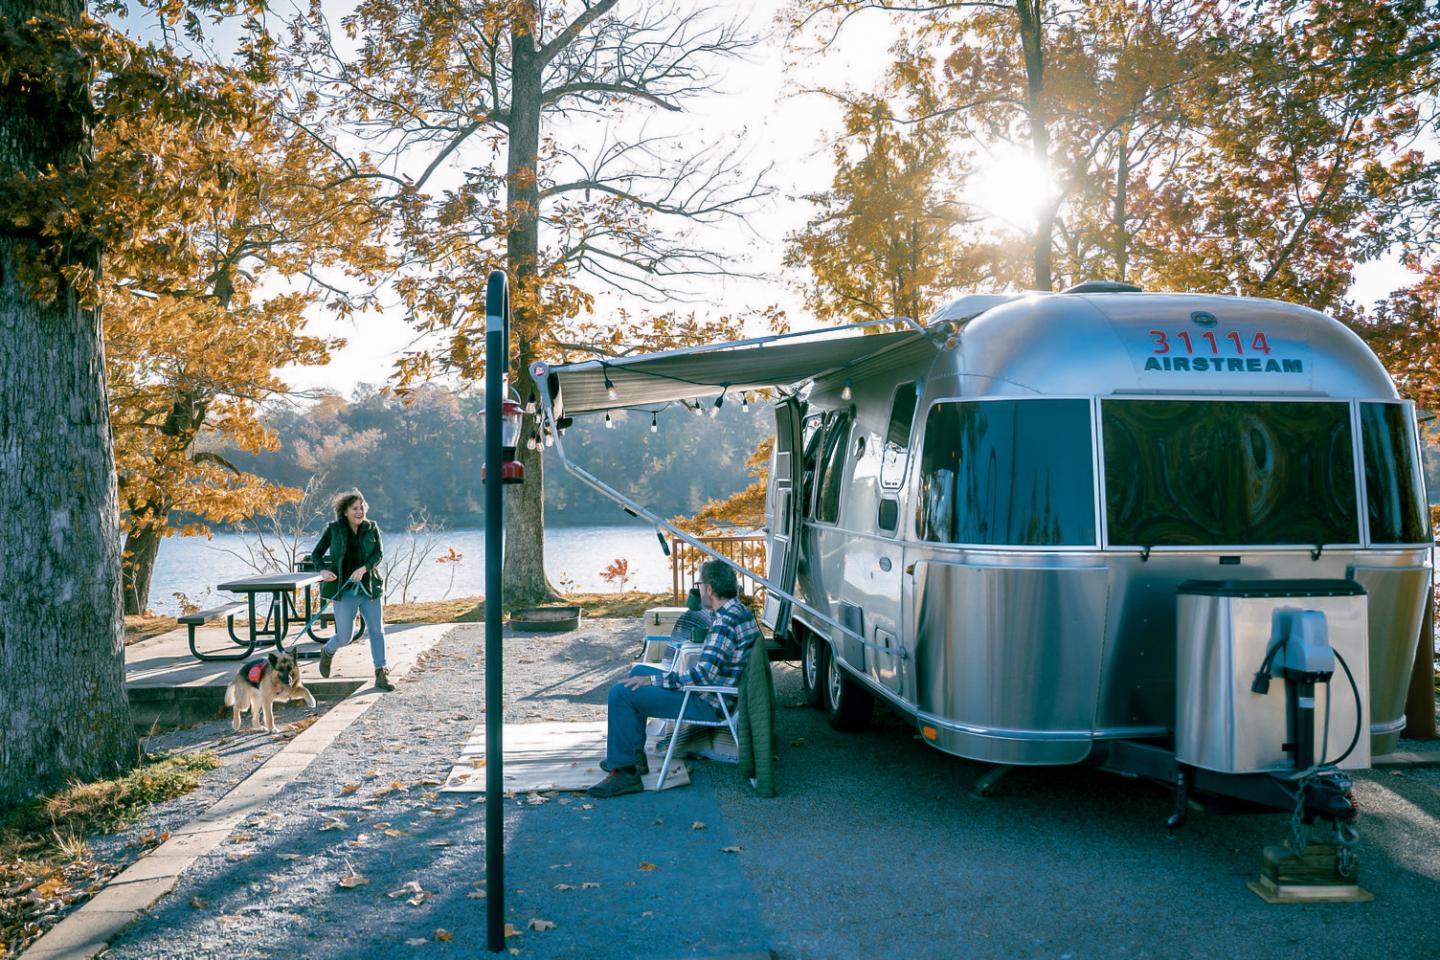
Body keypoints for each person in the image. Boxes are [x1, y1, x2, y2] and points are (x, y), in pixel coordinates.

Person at [590, 559, 759, 798]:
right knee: (638, 672)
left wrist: (655, 681)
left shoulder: (724, 623)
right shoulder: (740, 612)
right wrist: (651, 678)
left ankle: (625, 774)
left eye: (699, 585)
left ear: (709, 589)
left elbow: (702, 676)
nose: (699, 590)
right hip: (717, 692)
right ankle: (633, 758)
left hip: (710, 702)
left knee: (621, 694)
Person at [310, 490, 393, 692]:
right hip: (344, 591)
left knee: (377, 631)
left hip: (369, 588)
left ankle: (381, 672)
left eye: (361, 507)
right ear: (345, 511)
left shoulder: (371, 528)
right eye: (355, 508)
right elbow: (316, 554)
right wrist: (323, 571)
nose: (359, 511)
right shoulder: (334, 529)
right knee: (345, 637)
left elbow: (378, 554)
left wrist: (364, 568)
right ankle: (328, 651)